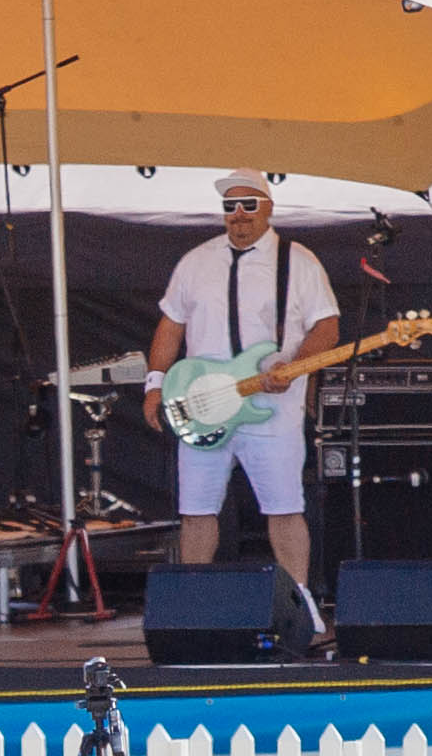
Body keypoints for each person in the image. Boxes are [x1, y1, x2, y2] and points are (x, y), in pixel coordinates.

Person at [144, 171, 344, 603]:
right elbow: (170, 324)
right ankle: (191, 607)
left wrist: (293, 367)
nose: (238, 215)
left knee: (284, 508)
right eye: (230, 207)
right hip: (202, 402)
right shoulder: (195, 261)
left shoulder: (298, 261)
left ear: (269, 207)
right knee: (196, 512)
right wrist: (155, 384)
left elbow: (326, 325)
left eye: (249, 205)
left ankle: (299, 603)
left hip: (273, 409)